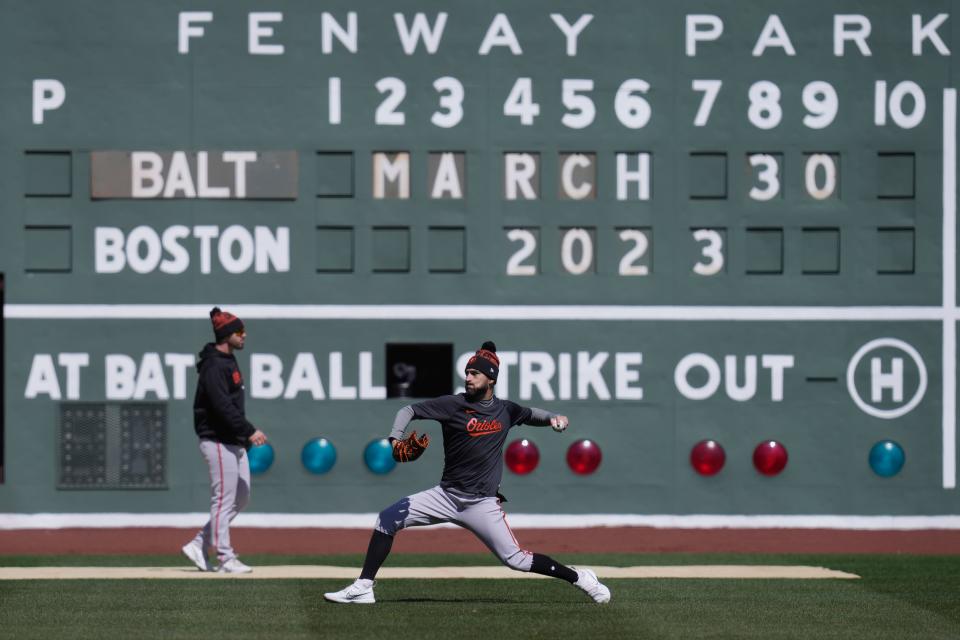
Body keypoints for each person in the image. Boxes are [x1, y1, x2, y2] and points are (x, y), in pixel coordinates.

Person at [324, 341, 611, 605]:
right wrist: (395, 439)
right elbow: (408, 410)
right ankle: (364, 586)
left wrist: (552, 418)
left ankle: (580, 578)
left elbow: (528, 413)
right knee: (387, 519)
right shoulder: (454, 405)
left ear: (491, 378)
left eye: (475, 373)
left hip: (481, 504)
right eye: (467, 372)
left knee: (516, 560)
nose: (469, 377)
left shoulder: (505, 410)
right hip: (446, 495)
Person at [181, 307, 268, 574]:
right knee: (223, 499)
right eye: (239, 332)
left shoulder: (228, 360)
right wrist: (249, 429)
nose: (244, 336)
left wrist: (242, 436)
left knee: (240, 498)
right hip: (217, 440)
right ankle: (224, 557)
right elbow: (221, 406)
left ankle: (199, 543)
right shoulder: (213, 365)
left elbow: (229, 406)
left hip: (232, 440)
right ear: (226, 334)